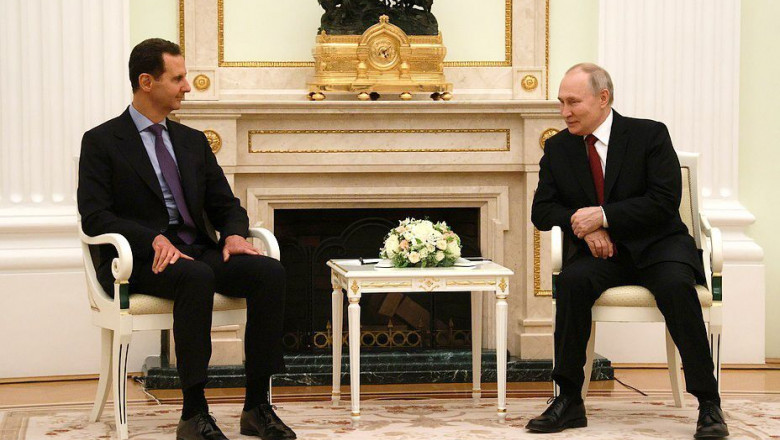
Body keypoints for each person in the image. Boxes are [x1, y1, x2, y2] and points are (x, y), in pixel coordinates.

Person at [78, 38, 296, 440]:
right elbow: (95, 216)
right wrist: (152, 239)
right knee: (196, 277)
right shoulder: (102, 142)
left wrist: (234, 235)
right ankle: (194, 412)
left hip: (196, 250)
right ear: (147, 82)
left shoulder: (191, 141)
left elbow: (226, 204)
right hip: (139, 260)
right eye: (177, 78)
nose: (187, 86)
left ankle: (257, 407)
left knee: (269, 273)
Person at [528, 63, 729, 439]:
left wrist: (604, 217)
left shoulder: (649, 135)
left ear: (603, 98)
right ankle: (569, 399)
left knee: (675, 287)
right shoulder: (558, 147)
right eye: (561, 102)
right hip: (603, 255)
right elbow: (541, 211)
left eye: (573, 102)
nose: (564, 112)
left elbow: (663, 201)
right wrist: (585, 225)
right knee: (571, 282)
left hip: (659, 247)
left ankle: (708, 403)